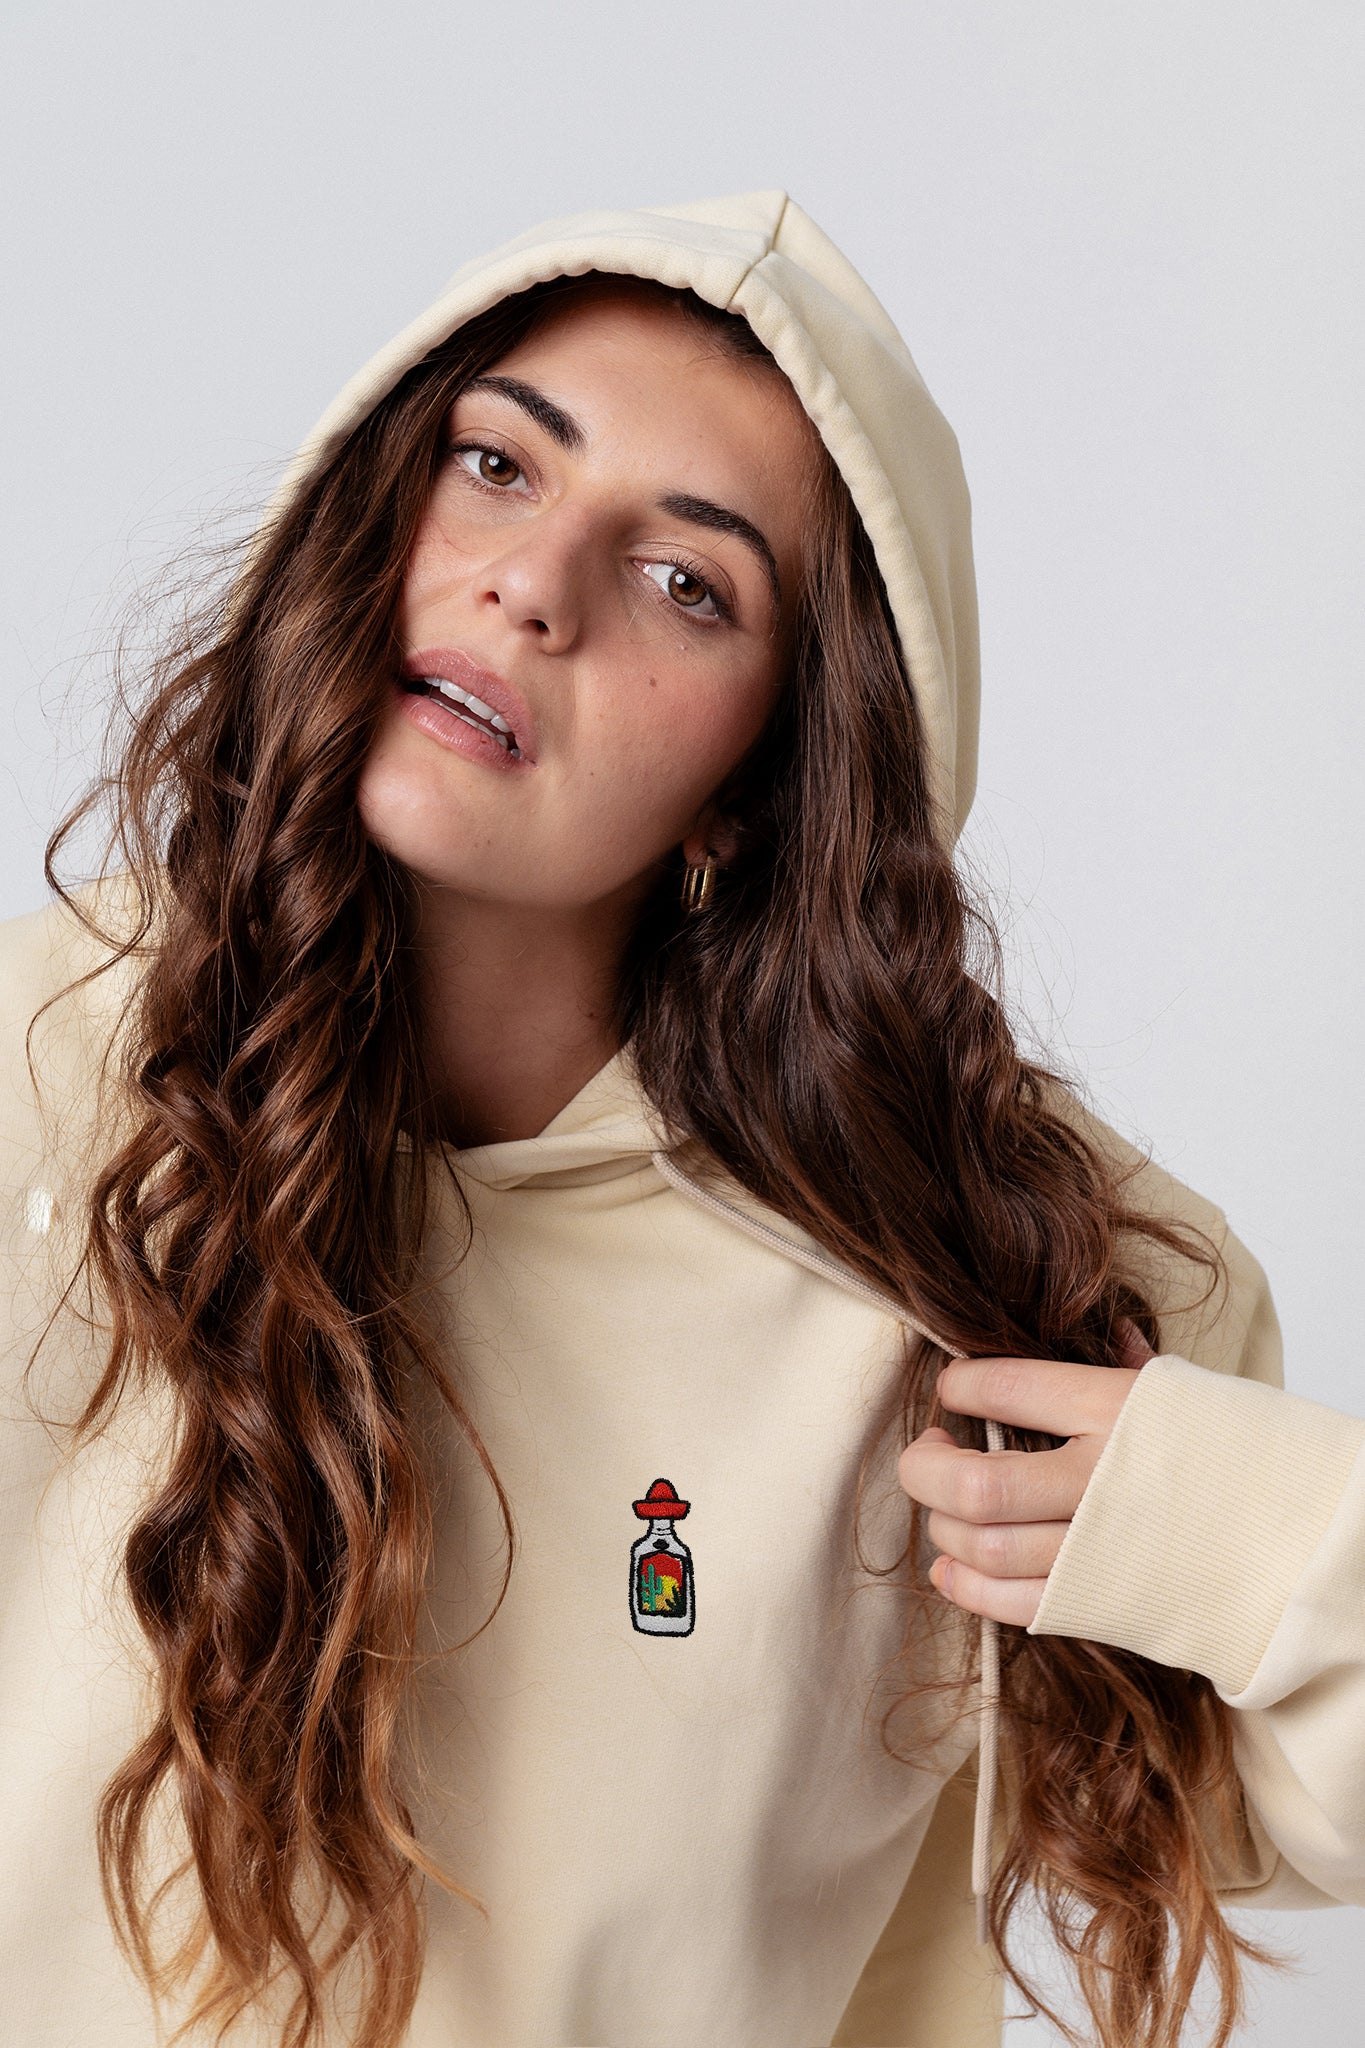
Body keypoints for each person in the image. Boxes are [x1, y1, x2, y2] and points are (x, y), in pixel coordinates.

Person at [0, 190, 1360, 2048]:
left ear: (765, 774)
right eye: (495, 465)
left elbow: (1285, 1813)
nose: (532, 584)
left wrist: (1283, 1532)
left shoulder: (995, 1272)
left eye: (685, 582)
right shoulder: (41, 1066)